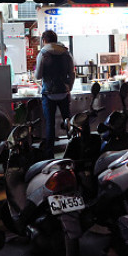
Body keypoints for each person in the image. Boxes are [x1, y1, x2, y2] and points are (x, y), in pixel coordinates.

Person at [34, 30, 76, 159]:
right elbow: (72, 73)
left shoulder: (43, 53)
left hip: (48, 93)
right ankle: (74, 150)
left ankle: (49, 155)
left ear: (44, 40)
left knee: (50, 125)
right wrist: (69, 87)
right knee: (68, 123)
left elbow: (38, 75)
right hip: (63, 92)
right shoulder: (66, 53)